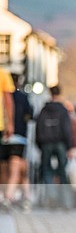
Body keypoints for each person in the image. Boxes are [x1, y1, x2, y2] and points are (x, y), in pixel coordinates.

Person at [35, 85, 73, 210]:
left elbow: (38, 128)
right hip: (60, 143)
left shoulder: (44, 109)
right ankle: (65, 202)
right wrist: (69, 146)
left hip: (46, 143)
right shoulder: (63, 110)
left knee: (46, 170)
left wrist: (40, 144)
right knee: (62, 172)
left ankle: (51, 196)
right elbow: (67, 128)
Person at [2, 73, 33, 210]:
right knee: (17, 167)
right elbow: (30, 114)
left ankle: (6, 196)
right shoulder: (21, 97)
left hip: (3, 135)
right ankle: (10, 197)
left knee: (3, 168)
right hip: (18, 136)